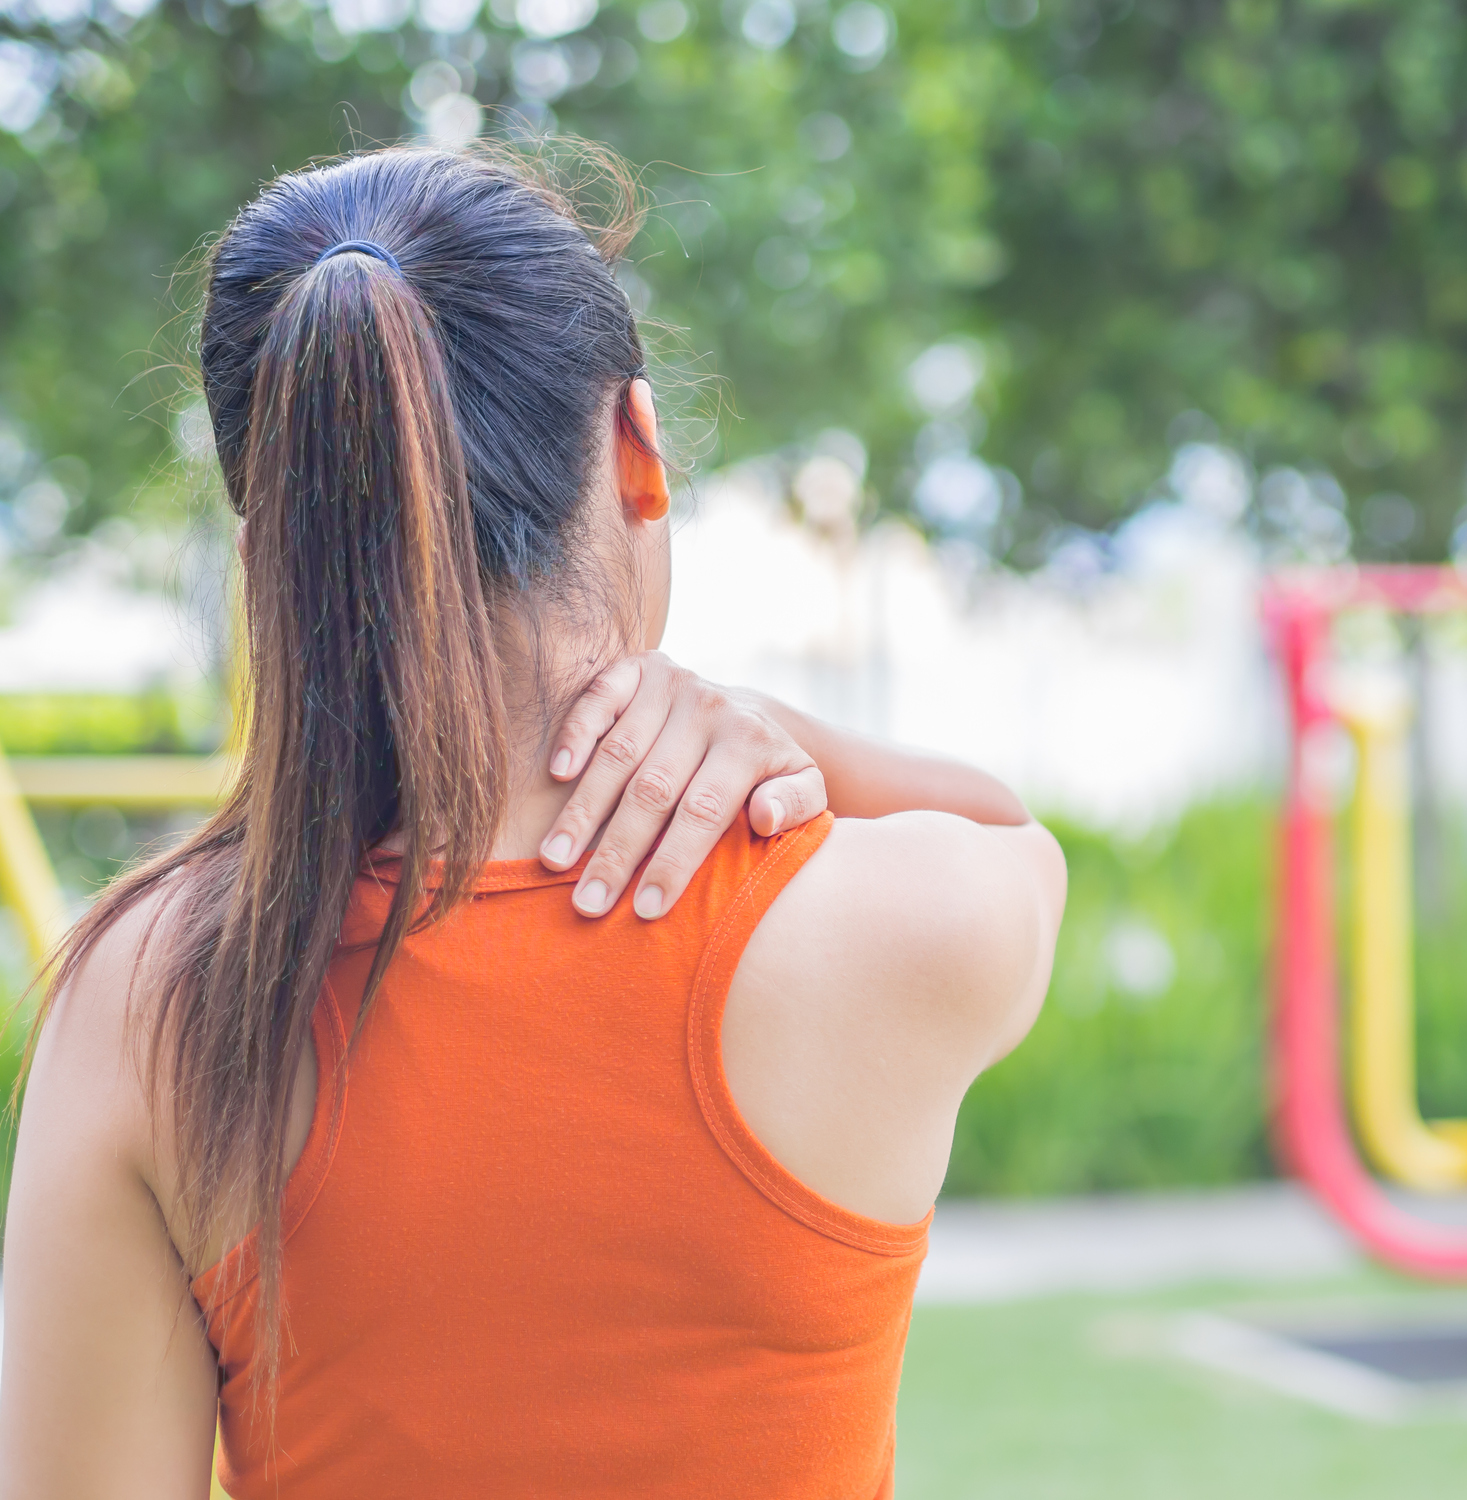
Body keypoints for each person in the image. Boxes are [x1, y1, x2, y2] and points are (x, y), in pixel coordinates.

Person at [0, 144, 1066, 1500]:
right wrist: (777, 730)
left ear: (271, 535)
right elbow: (1016, 841)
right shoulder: (894, 926)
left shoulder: (148, 999)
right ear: (636, 447)